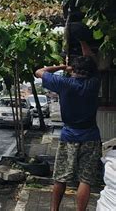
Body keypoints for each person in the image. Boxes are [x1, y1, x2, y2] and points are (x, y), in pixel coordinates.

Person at [34, 40, 101, 211]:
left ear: (74, 71)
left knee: (61, 177)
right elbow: (91, 61)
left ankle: (54, 209)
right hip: (91, 137)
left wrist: (62, 67)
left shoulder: (64, 84)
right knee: (85, 180)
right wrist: (84, 41)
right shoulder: (94, 83)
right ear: (89, 72)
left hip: (69, 136)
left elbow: (39, 72)